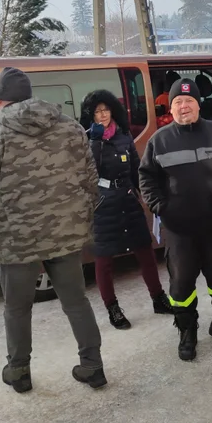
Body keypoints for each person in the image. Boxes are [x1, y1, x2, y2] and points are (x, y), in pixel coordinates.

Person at [0, 66, 107, 393]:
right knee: (76, 302)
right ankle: (93, 366)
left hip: (18, 241)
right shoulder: (72, 128)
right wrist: (80, 220)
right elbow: (91, 182)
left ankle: (19, 372)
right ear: (29, 94)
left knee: (17, 308)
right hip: (66, 236)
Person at [139, 77, 212, 362]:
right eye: (178, 102)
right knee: (181, 287)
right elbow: (147, 177)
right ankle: (187, 332)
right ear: (171, 108)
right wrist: (160, 206)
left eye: (189, 101)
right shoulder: (160, 140)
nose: (184, 107)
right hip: (180, 230)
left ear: (198, 105)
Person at [80, 90, 173, 330]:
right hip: (103, 204)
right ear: (91, 115)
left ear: (113, 110)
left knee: (145, 250)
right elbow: (89, 172)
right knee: (104, 259)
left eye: (105, 109)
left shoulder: (124, 136)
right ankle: (112, 307)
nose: (102, 115)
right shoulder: (87, 139)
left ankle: (158, 298)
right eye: (97, 111)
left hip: (128, 199)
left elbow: (136, 169)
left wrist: (144, 196)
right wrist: (96, 142)